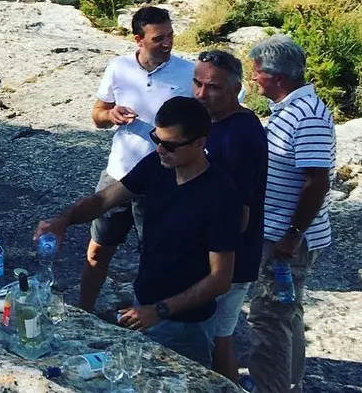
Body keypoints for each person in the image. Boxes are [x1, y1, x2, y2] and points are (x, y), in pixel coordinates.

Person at [36, 97, 240, 367]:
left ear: (199, 143)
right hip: (143, 305)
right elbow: (104, 200)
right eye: (156, 138)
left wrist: (159, 311)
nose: (159, 149)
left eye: (169, 145)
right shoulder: (157, 165)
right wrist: (64, 220)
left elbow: (220, 279)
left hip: (186, 326)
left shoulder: (220, 195)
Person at [81, 5, 195, 312]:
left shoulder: (189, 73)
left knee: (157, 257)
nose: (168, 43)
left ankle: (150, 318)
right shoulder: (119, 68)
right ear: (138, 39)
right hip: (120, 173)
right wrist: (111, 114)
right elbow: (97, 115)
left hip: (164, 180)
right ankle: (83, 312)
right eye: (159, 38)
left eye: (170, 35)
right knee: (98, 250)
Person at [247, 35, 336, 393]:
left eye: (257, 74)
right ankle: (290, 382)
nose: (254, 80)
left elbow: (316, 182)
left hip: (289, 240)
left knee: (269, 317)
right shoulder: (289, 110)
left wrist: (293, 233)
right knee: (287, 312)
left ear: (277, 77)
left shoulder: (308, 116)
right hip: (282, 233)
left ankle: (270, 387)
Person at [191, 50, 268, 384]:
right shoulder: (211, 121)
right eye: (197, 83)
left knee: (218, 339)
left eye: (213, 87)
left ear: (236, 89)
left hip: (229, 260)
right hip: (209, 252)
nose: (201, 94)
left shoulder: (241, 133)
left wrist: (219, 260)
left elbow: (240, 211)